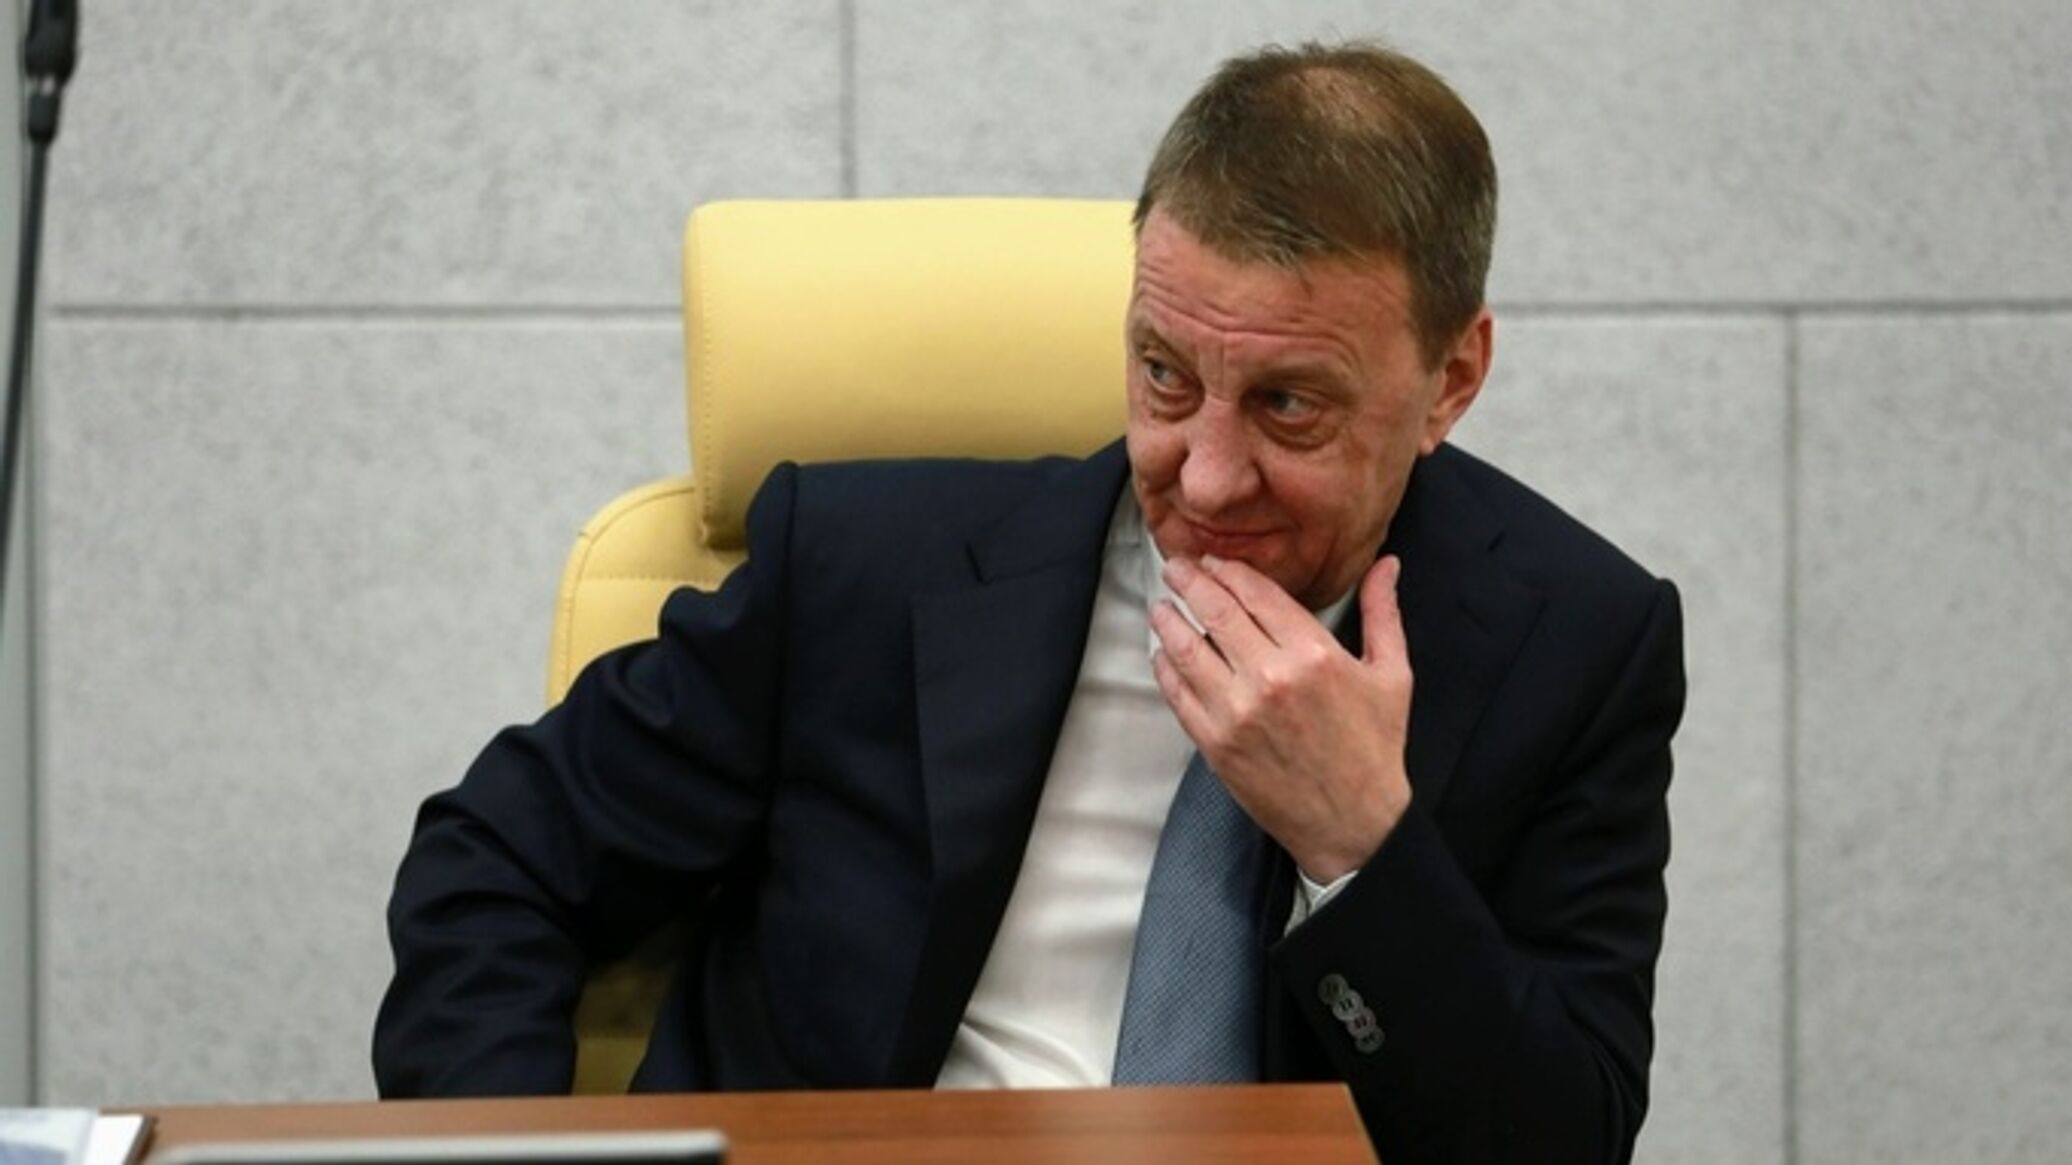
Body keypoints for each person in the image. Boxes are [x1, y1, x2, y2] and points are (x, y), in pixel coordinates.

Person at [375, 40, 1684, 1165]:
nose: (1206, 475)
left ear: (1451, 379)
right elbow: (498, 860)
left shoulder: (1575, 644)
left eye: (1288, 404)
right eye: (1165, 376)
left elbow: (1561, 1137)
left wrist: (1361, 846)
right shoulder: (868, 568)